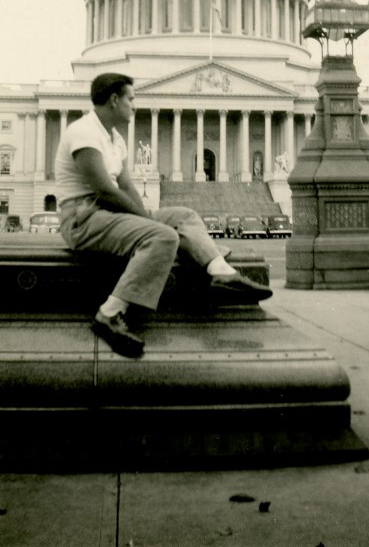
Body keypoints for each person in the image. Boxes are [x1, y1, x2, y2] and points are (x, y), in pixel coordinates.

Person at [55, 73, 271, 358]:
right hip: (82, 217)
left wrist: (148, 216)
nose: (135, 105)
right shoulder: (83, 131)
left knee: (184, 216)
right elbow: (104, 190)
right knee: (163, 237)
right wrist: (149, 223)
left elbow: (127, 186)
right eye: (131, 98)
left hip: (107, 214)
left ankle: (221, 273)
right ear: (114, 99)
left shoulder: (114, 138)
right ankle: (108, 314)